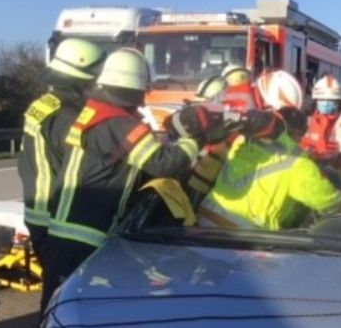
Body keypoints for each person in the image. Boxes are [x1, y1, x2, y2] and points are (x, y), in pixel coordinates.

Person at [43, 48, 219, 313]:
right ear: (136, 88)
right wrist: (197, 139)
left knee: (60, 305)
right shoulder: (119, 123)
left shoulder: (95, 112)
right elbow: (164, 164)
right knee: (87, 308)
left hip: (65, 230)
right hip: (87, 234)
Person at [16, 38, 104, 312]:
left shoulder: (43, 104)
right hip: (56, 217)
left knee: (55, 285)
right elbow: (86, 164)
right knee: (62, 292)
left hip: (36, 211)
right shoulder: (69, 116)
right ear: (84, 77)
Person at [199, 70, 341, 230]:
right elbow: (326, 200)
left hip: (205, 217)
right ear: (299, 133)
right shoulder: (298, 163)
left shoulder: (243, 139)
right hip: (242, 234)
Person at [301, 75, 341, 161]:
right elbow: (302, 144)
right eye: (322, 99)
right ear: (316, 101)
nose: (326, 103)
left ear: (338, 102)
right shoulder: (308, 123)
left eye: (331, 100)